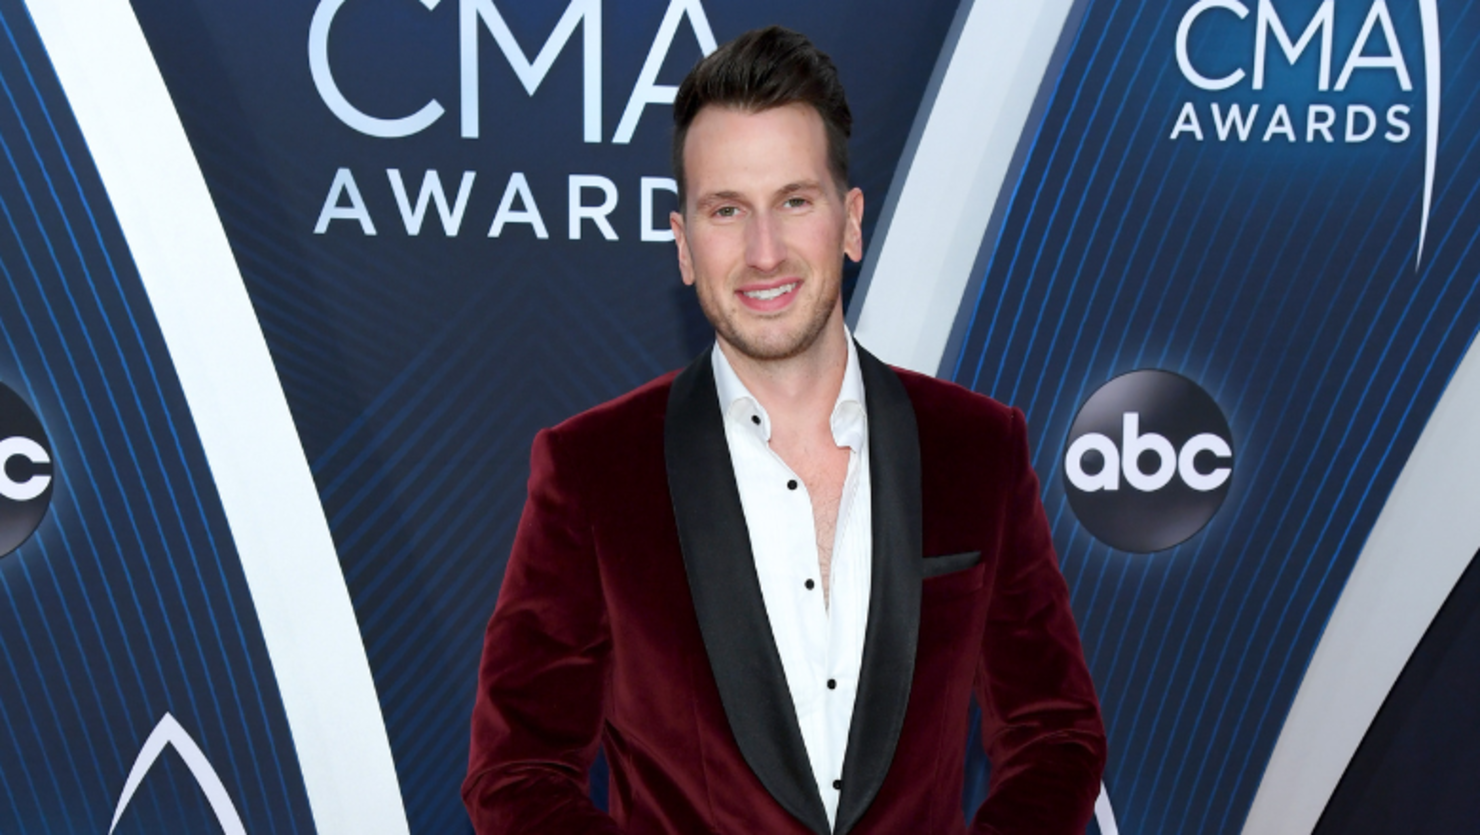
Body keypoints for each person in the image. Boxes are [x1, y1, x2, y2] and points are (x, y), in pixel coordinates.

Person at [463, 25, 1106, 835]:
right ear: (684, 245)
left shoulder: (976, 448)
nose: (764, 252)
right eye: (727, 210)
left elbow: (1056, 733)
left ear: (851, 221)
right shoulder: (595, 470)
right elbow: (516, 771)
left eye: (794, 202)